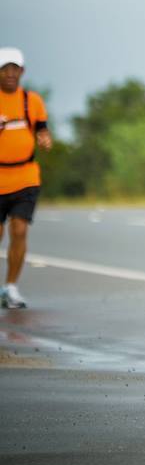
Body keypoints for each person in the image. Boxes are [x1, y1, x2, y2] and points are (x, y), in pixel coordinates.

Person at [0, 48, 52, 310]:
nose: (10, 73)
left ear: (22, 72)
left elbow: (42, 129)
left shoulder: (31, 101)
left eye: (15, 68)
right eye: (5, 69)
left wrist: (44, 139)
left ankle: (11, 287)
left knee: (19, 230)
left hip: (26, 177)